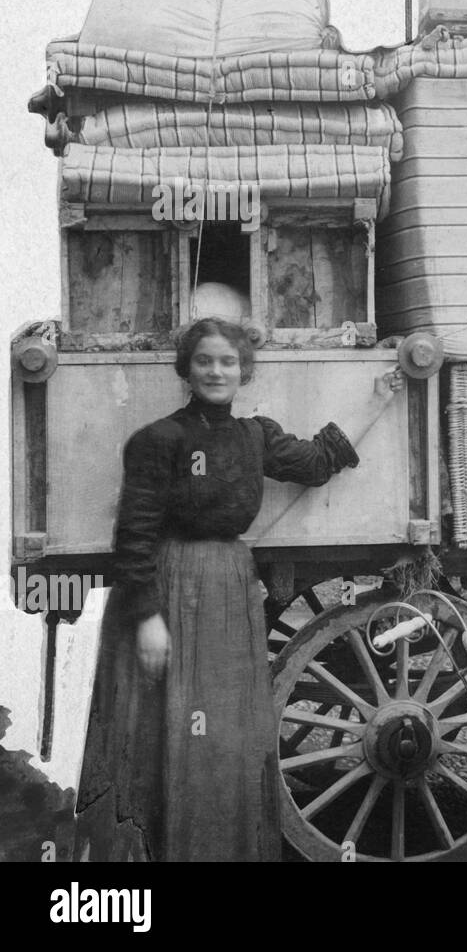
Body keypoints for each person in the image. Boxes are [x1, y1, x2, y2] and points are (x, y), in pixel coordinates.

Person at [75, 318, 360, 860]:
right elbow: (133, 538)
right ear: (187, 368)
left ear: (243, 371)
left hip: (229, 589)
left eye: (228, 362)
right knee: (163, 728)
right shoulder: (158, 440)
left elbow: (316, 463)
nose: (216, 371)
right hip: (170, 587)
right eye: (205, 361)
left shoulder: (256, 437)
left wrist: (383, 396)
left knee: (223, 729)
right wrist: (148, 618)